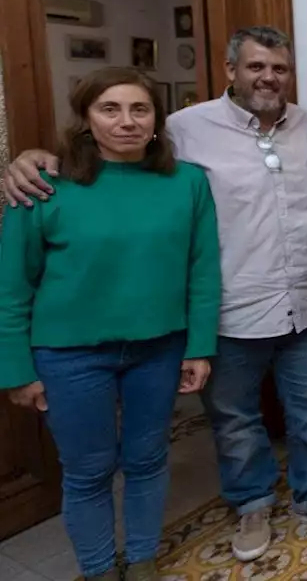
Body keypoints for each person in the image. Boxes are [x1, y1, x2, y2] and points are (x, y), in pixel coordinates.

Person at [2, 27, 307, 561]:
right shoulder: (184, 129)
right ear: (231, 70)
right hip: (230, 310)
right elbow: (108, 161)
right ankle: (253, 501)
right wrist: (30, 157)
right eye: (256, 67)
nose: (268, 77)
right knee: (236, 420)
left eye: (279, 69)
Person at [0, 69, 219, 581]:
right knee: (88, 472)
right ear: (86, 118)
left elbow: (203, 270)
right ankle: (98, 569)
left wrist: (199, 347)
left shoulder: (187, 182)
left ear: (156, 120)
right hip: (70, 357)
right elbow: (12, 287)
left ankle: (141, 560)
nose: (126, 122)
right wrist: (15, 370)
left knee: (147, 460)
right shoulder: (43, 187)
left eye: (139, 110)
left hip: (159, 349)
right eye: (110, 109)